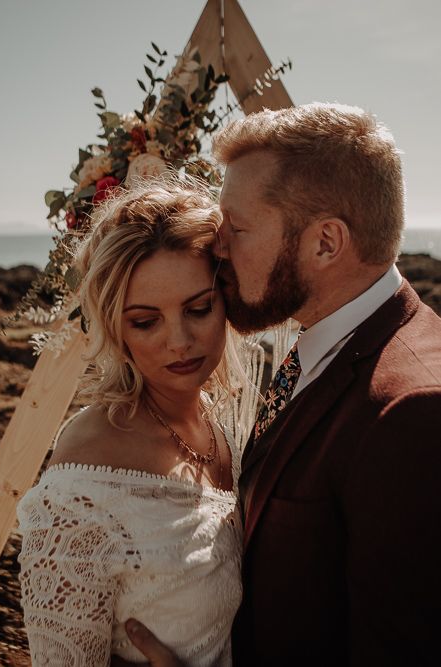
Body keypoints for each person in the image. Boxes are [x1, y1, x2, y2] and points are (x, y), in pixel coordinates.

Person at [117, 103, 441, 666]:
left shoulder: (413, 413)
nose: (216, 248)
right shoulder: (324, 342)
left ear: (325, 243)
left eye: (236, 228)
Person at [16, 177, 260, 666]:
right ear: (116, 329)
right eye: (146, 321)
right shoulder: (84, 475)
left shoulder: (230, 424)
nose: (180, 341)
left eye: (198, 308)